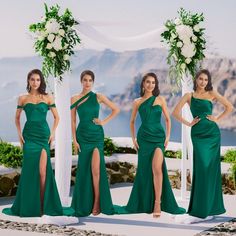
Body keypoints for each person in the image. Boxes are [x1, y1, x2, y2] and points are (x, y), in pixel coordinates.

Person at [115, 72, 185, 217]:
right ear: (143, 84)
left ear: (156, 85)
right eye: (148, 82)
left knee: (157, 169)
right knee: (144, 170)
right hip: (144, 138)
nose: (150, 85)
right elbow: (132, 121)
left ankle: (157, 203)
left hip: (158, 138)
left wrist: (167, 137)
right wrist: (133, 139)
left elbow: (168, 119)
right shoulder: (137, 102)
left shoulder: (160, 99)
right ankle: (144, 202)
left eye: (153, 82)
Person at [172, 69, 233, 224]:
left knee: (210, 169)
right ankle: (199, 209)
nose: (203, 82)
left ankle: (209, 209)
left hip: (212, 135)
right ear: (196, 79)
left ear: (208, 81)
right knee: (201, 168)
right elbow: (175, 113)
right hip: (198, 135)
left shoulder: (212, 93)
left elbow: (229, 107)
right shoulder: (189, 96)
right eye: (201, 79)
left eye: (206, 79)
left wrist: (217, 118)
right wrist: (189, 123)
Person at [2, 69, 64, 217]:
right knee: (30, 172)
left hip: (43, 136)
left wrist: (53, 134)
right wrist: (19, 136)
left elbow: (57, 118)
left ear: (41, 81)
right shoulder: (22, 99)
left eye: (38, 79)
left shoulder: (48, 97)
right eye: (32, 79)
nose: (35, 82)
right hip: (29, 136)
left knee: (43, 172)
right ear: (28, 81)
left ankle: (42, 205)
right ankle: (29, 205)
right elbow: (17, 118)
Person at [70, 70, 120, 216]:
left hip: (96, 135)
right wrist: (74, 140)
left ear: (93, 82)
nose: (87, 83)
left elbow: (116, 109)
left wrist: (103, 122)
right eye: (85, 80)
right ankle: (84, 202)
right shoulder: (74, 99)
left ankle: (97, 202)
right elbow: (73, 121)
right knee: (84, 170)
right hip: (82, 136)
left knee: (96, 170)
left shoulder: (98, 96)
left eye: (90, 80)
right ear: (81, 81)